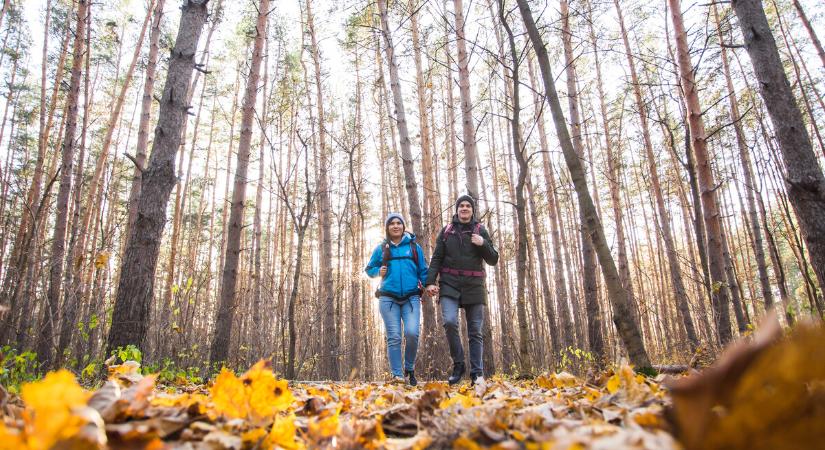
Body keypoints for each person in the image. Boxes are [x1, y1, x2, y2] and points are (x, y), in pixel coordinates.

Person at [425, 195, 498, 386]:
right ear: (457, 210)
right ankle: (459, 365)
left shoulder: (480, 230)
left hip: (474, 285)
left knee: (475, 330)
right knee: (449, 322)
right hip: (449, 284)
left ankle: (477, 373)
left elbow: (493, 259)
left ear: (472, 210)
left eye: (468, 206)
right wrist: (430, 282)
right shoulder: (446, 231)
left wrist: (483, 244)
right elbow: (436, 259)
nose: (464, 208)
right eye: (461, 206)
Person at [365, 213, 428, 386]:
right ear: (387, 228)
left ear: (403, 226)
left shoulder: (414, 247)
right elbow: (369, 269)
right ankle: (397, 375)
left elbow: (423, 270)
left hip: (411, 297)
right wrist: (378, 272)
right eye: (391, 223)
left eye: (398, 223)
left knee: (412, 333)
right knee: (394, 337)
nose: (395, 226)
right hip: (388, 298)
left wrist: (429, 285)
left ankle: (409, 367)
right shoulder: (382, 248)